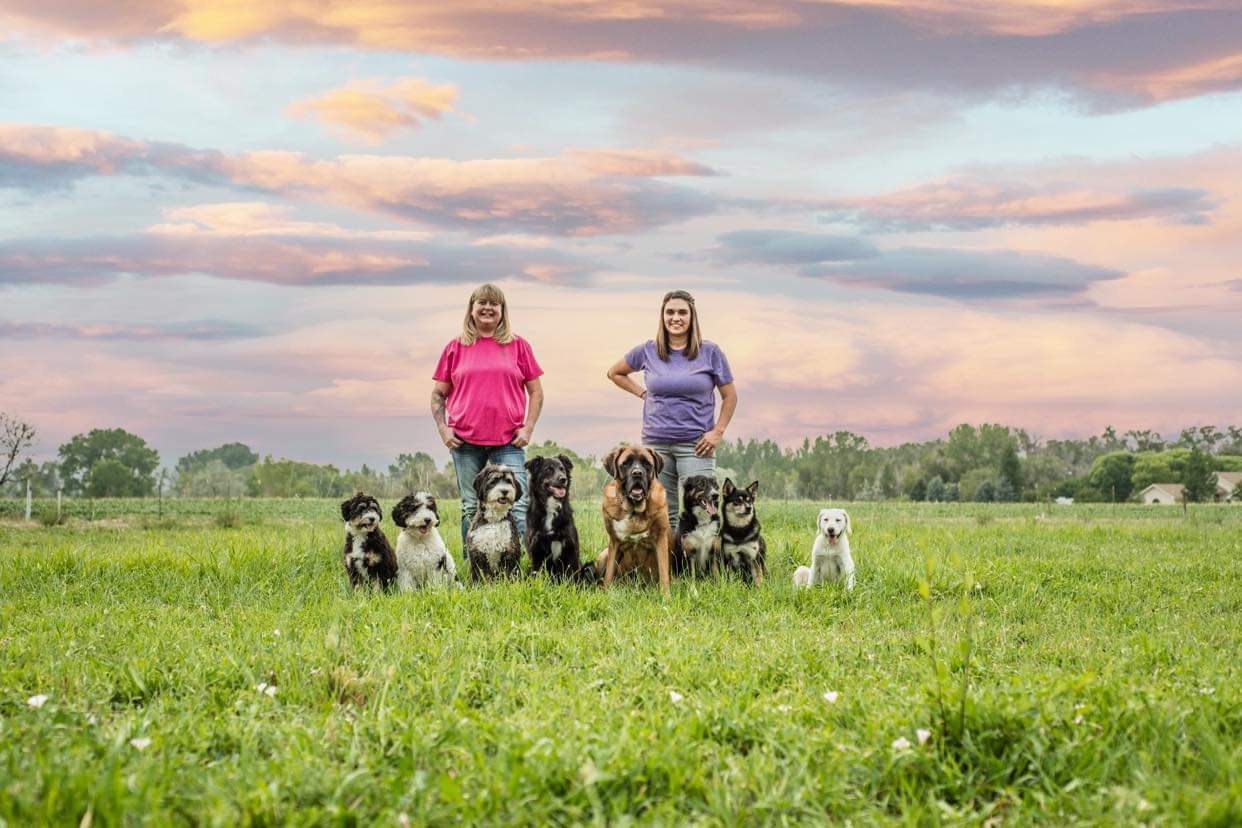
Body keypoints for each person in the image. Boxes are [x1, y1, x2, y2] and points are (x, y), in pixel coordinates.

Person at [606, 289, 737, 532]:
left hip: (696, 445)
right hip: (656, 448)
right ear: (662, 317)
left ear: (692, 317)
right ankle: (672, 568)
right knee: (665, 514)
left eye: (682, 312)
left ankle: (704, 569)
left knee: (702, 511)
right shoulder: (647, 350)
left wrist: (717, 431)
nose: (675, 318)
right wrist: (642, 393)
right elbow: (614, 372)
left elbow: (729, 396)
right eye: (670, 312)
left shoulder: (711, 352)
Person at [431, 283, 544, 545]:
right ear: (471, 310)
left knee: (517, 504)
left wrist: (527, 428)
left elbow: (536, 392)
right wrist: (443, 429)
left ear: (502, 311)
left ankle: (517, 566)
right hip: (464, 441)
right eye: (482, 302)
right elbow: (438, 394)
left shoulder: (519, 346)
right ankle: (474, 567)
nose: (488, 307)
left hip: (508, 441)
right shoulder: (455, 348)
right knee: (471, 505)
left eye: (494, 303)